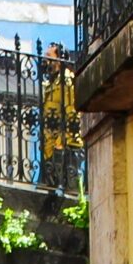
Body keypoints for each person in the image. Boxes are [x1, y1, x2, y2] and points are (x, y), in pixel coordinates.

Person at [41, 42, 85, 192]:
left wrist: (63, 140)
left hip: (66, 143)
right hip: (49, 143)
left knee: (70, 186)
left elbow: (72, 112)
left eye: (49, 57)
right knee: (50, 187)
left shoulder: (67, 81)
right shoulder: (49, 83)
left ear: (59, 60)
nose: (45, 60)